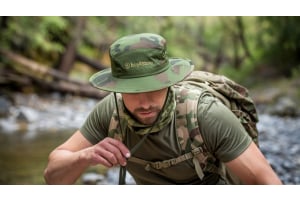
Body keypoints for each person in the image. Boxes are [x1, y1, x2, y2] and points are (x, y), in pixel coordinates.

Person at [44, 33, 282, 185]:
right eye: (135, 91)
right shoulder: (109, 113)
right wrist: (85, 156)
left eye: (154, 88)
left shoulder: (205, 113)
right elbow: (52, 176)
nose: (145, 102)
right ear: (118, 89)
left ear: (169, 82)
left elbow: (267, 183)